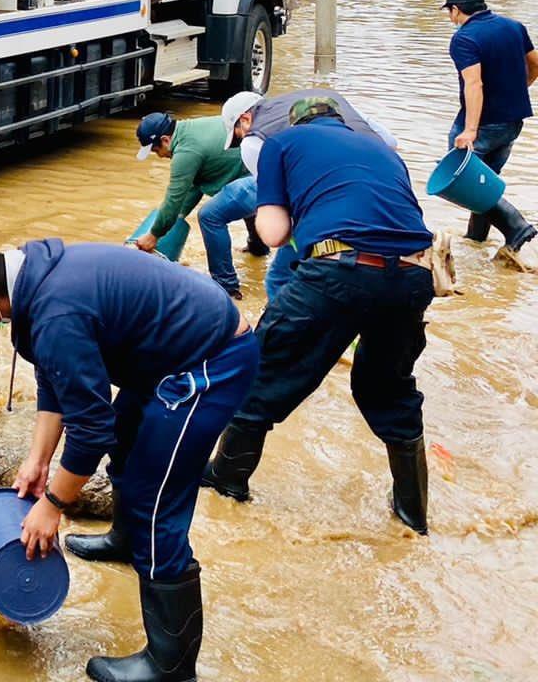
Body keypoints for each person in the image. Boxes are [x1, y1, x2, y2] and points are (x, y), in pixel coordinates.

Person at [0, 238, 257, 682]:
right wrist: (38, 460)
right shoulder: (35, 276)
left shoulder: (56, 314)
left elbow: (90, 431)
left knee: (155, 503)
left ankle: (171, 664)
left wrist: (52, 506)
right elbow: (55, 379)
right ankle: (127, 541)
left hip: (209, 364)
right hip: (168, 355)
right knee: (126, 442)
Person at [202, 97, 436, 534]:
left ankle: (226, 481)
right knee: (387, 388)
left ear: (296, 121)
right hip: (414, 276)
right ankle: (412, 512)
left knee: (262, 369)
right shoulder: (381, 148)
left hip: (338, 270)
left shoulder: (280, 143)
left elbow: (272, 234)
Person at [210, 88, 403, 302]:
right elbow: (390, 142)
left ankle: (286, 329)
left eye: (237, 135)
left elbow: (281, 205)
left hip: (328, 210)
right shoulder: (334, 100)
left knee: (280, 277)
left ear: (245, 119)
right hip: (388, 204)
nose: (241, 140)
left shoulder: (253, 141)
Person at [441, 0, 538, 265]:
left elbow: (474, 83)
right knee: (484, 180)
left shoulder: (464, 38)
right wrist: (522, 87)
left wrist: (470, 129)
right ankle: (476, 239)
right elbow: (535, 63)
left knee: (461, 182)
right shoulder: (513, 26)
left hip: (482, 125)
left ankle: (516, 227)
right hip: (512, 122)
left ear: (456, 10)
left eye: (450, 12)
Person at [131, 110, 248, 295]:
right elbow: (194, 186)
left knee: (210, 216)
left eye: (156, 150)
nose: (160, 156)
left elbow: (174, 199)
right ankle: (258, 249)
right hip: (252, 166)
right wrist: (178, 217)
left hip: (255, 174)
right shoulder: (191, 128)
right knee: (240, 201)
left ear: (166, 140)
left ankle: (226, 285)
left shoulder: (185, 153)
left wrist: (153, 235)